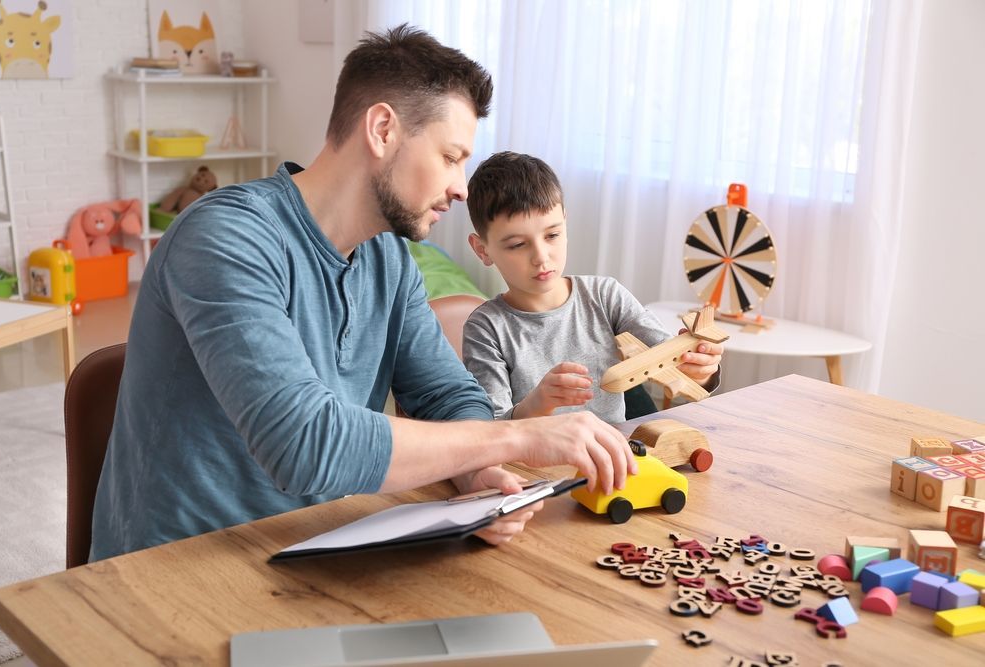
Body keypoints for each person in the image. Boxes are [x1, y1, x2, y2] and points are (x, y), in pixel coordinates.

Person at [89, 26, 637, 562]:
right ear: (382, 130)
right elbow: (304, 444)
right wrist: (517, 441)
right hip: (174, 572)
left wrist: (477, 473)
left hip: (321, 548)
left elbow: (447, 398)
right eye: (451, 157)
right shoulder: (225, 237)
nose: (461, 186)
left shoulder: (388, 259)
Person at [462, 151, 724, 423]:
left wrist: (700, 369)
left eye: (552, 235)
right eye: (518, 244)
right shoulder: (485, 328)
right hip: (537, 463)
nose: (541, 257)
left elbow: (670, 357)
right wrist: (537, 404)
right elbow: (492, 430)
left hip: (616, 457)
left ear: (565, 222)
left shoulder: (605, 296)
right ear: (482, 250)